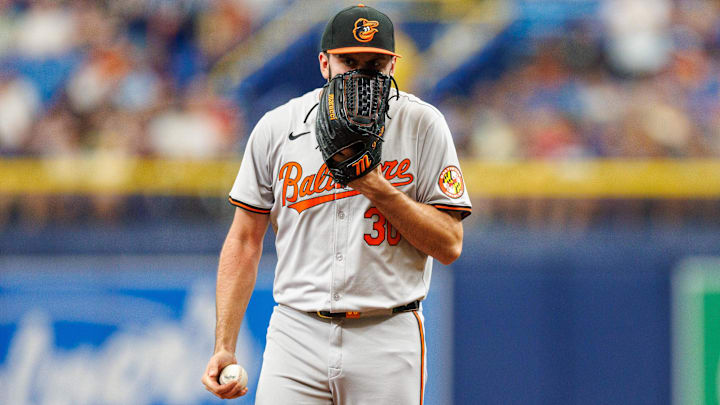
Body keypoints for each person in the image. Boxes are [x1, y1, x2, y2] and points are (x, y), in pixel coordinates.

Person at [201, 4, 472, 404]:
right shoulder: (279, 127)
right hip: (297, 332)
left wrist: (375, 187)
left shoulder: (421, 124)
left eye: (374, 63)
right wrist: (224, 344)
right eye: (349, 60)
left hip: (387, 331)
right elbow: (243, 240)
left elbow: (449, 244)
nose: (361, 73)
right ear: (324, 64)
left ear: (393, 65)